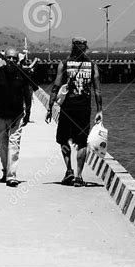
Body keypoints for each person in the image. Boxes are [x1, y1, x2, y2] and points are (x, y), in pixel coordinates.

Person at [46, 36, 102, 186]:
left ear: (72, 47)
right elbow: (97, 90)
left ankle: (69, 170)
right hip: (84, 109)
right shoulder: (92, 65)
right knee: (82, 142)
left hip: (67, 109)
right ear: (85, 47)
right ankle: (79, 176)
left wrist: (50, 108)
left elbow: (55, 87)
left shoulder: (64, 64)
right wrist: (99, 111)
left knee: (64, 139)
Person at [0, 47, 31, 187]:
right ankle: (6, 170)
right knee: (2, 145)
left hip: (17, 115)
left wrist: (28, 113)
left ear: (18, 60)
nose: (11, 60)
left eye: (14, 58)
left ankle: (12, 176)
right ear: (4, 59)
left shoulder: (23, 74)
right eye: (9, 58)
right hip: (1, 115)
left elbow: (28, 96)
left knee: (14, 145)